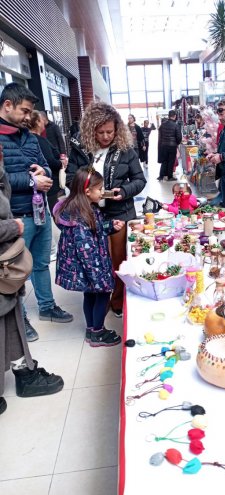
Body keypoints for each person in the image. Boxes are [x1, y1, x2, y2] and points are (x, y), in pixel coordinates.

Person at [0, 83, 73, 342]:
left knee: (42, 264)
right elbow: (2, 178)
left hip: (39, 211)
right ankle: (20, 321)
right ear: (7, 105)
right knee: (16, 272)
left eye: (31, 111)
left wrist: (44, 173)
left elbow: (45, 165)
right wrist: (32, 182)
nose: (28, 117)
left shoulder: (30, 137)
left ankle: (47, 306)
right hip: (15, 217)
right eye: (24, 110)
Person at [0, 143, 65, 415]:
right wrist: (11, 227)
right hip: (8, 241)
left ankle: (24, 371)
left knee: (9, 314)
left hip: (6, 259)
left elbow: (46, 165)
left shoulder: (28, 138)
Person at [67, 101, 146, 318]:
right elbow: (70, 179)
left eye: (110, 131)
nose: (105, 136)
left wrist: (125, 190)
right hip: (89, 213)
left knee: (119, 258)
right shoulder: (79, 148)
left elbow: (139, 179)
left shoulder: (125, 149)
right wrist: (87, 190)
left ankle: (118, 299)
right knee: (96, 259)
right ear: (91, 130)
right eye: (100, 132)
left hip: (120, 210)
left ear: (117, 129)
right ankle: (100, 297)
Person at [53, 168, 123, 347]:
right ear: (87, 191)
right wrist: (98, 275)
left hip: (88, 267)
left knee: (90, 295)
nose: (102, 192)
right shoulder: (80, 216)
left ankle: (92, 329)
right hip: (91, 267)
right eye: (99, 189)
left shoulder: (85, 208)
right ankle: (98, 333)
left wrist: (109, 226)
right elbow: (86, 251)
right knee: (102, 294)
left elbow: (95, 231)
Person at [27, 111, 66, 213]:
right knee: (55, 212)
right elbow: (50, 161)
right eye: (41, 120)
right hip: (49, 183)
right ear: (37, 122)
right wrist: (61, 163)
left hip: (35, 184)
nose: (44, 122)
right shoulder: (39, 140)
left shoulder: (26, 139)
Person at [157, 110, 182, 181]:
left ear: (168, 116)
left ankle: (161, 176)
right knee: (171, 161)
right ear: (175, 116)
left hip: (163, 145)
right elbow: (179, 137)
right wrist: (176, 143)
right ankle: (170, 176)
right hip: (172, 146)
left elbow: (160, 136)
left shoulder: (163, 124)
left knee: (164, 161)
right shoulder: (176, 125)